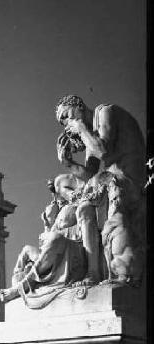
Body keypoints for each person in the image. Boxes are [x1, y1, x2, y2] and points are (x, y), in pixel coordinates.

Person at [55, 95, 145, 284]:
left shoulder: (104, 111)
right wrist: (68, 162)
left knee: (86, 204)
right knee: (83, 209)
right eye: (63, 122)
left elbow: (102, 150)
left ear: (78, 106)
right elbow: (89, 174)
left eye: (66, 115)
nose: (66, 123)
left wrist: (80, 128)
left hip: (131, 181)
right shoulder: (91, 134)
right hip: (113, 182)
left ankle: (101, 270)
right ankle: (93, 273)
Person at [0, 174, 87, 303]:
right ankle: (18, 288)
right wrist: (48, 222)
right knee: (26, 249)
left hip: (73, 249)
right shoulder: (60, 210)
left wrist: (53, 232)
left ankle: (20, 288)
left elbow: (81, 230)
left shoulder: (78, 206)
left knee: (55, 238)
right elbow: (46, 239)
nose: (58, 197)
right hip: (54, 250)